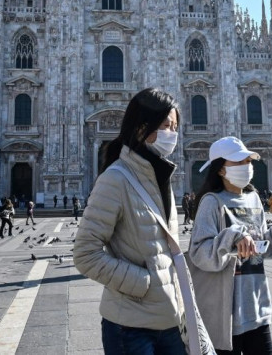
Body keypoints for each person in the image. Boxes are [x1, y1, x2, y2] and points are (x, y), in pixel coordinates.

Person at [73, 88, 185, 354]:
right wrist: (142, 283)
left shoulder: (160, 178)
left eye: (175, 126)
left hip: (169, 320)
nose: (172, 134)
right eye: (166, 125)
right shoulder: (115, 178)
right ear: (141, 128)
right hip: (131, 328)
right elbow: (85, 254)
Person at [188, 136, 272, 353]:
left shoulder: (254, 199)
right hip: (224, 313)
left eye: (247, 161)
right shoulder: (212, 201)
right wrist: (233, 237)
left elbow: (259, 246)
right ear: (220, 169)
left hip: (256, 306)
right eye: (238, 162)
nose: (246, 167)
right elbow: (199, 253)